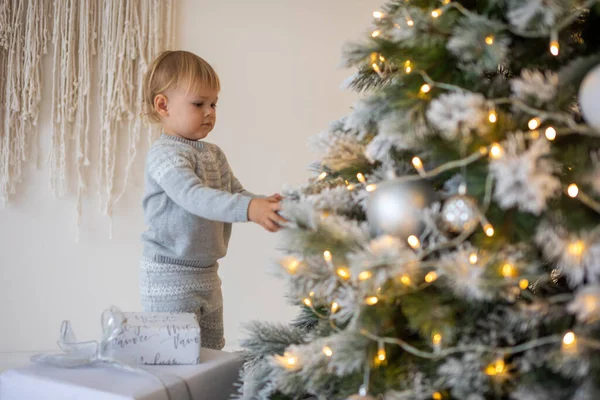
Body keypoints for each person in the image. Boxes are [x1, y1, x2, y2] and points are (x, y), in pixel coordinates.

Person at [139, 50, 285, 349]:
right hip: (170, 277)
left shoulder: (213, 153)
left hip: (208, 273)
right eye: (198, 104)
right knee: (174, 356)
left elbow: (235, 194)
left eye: (213, 103)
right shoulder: (165, 155)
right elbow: (193, 197)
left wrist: (265, 205)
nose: (210, 112)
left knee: (211, 350)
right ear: (163, 105)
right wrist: (249, 209)